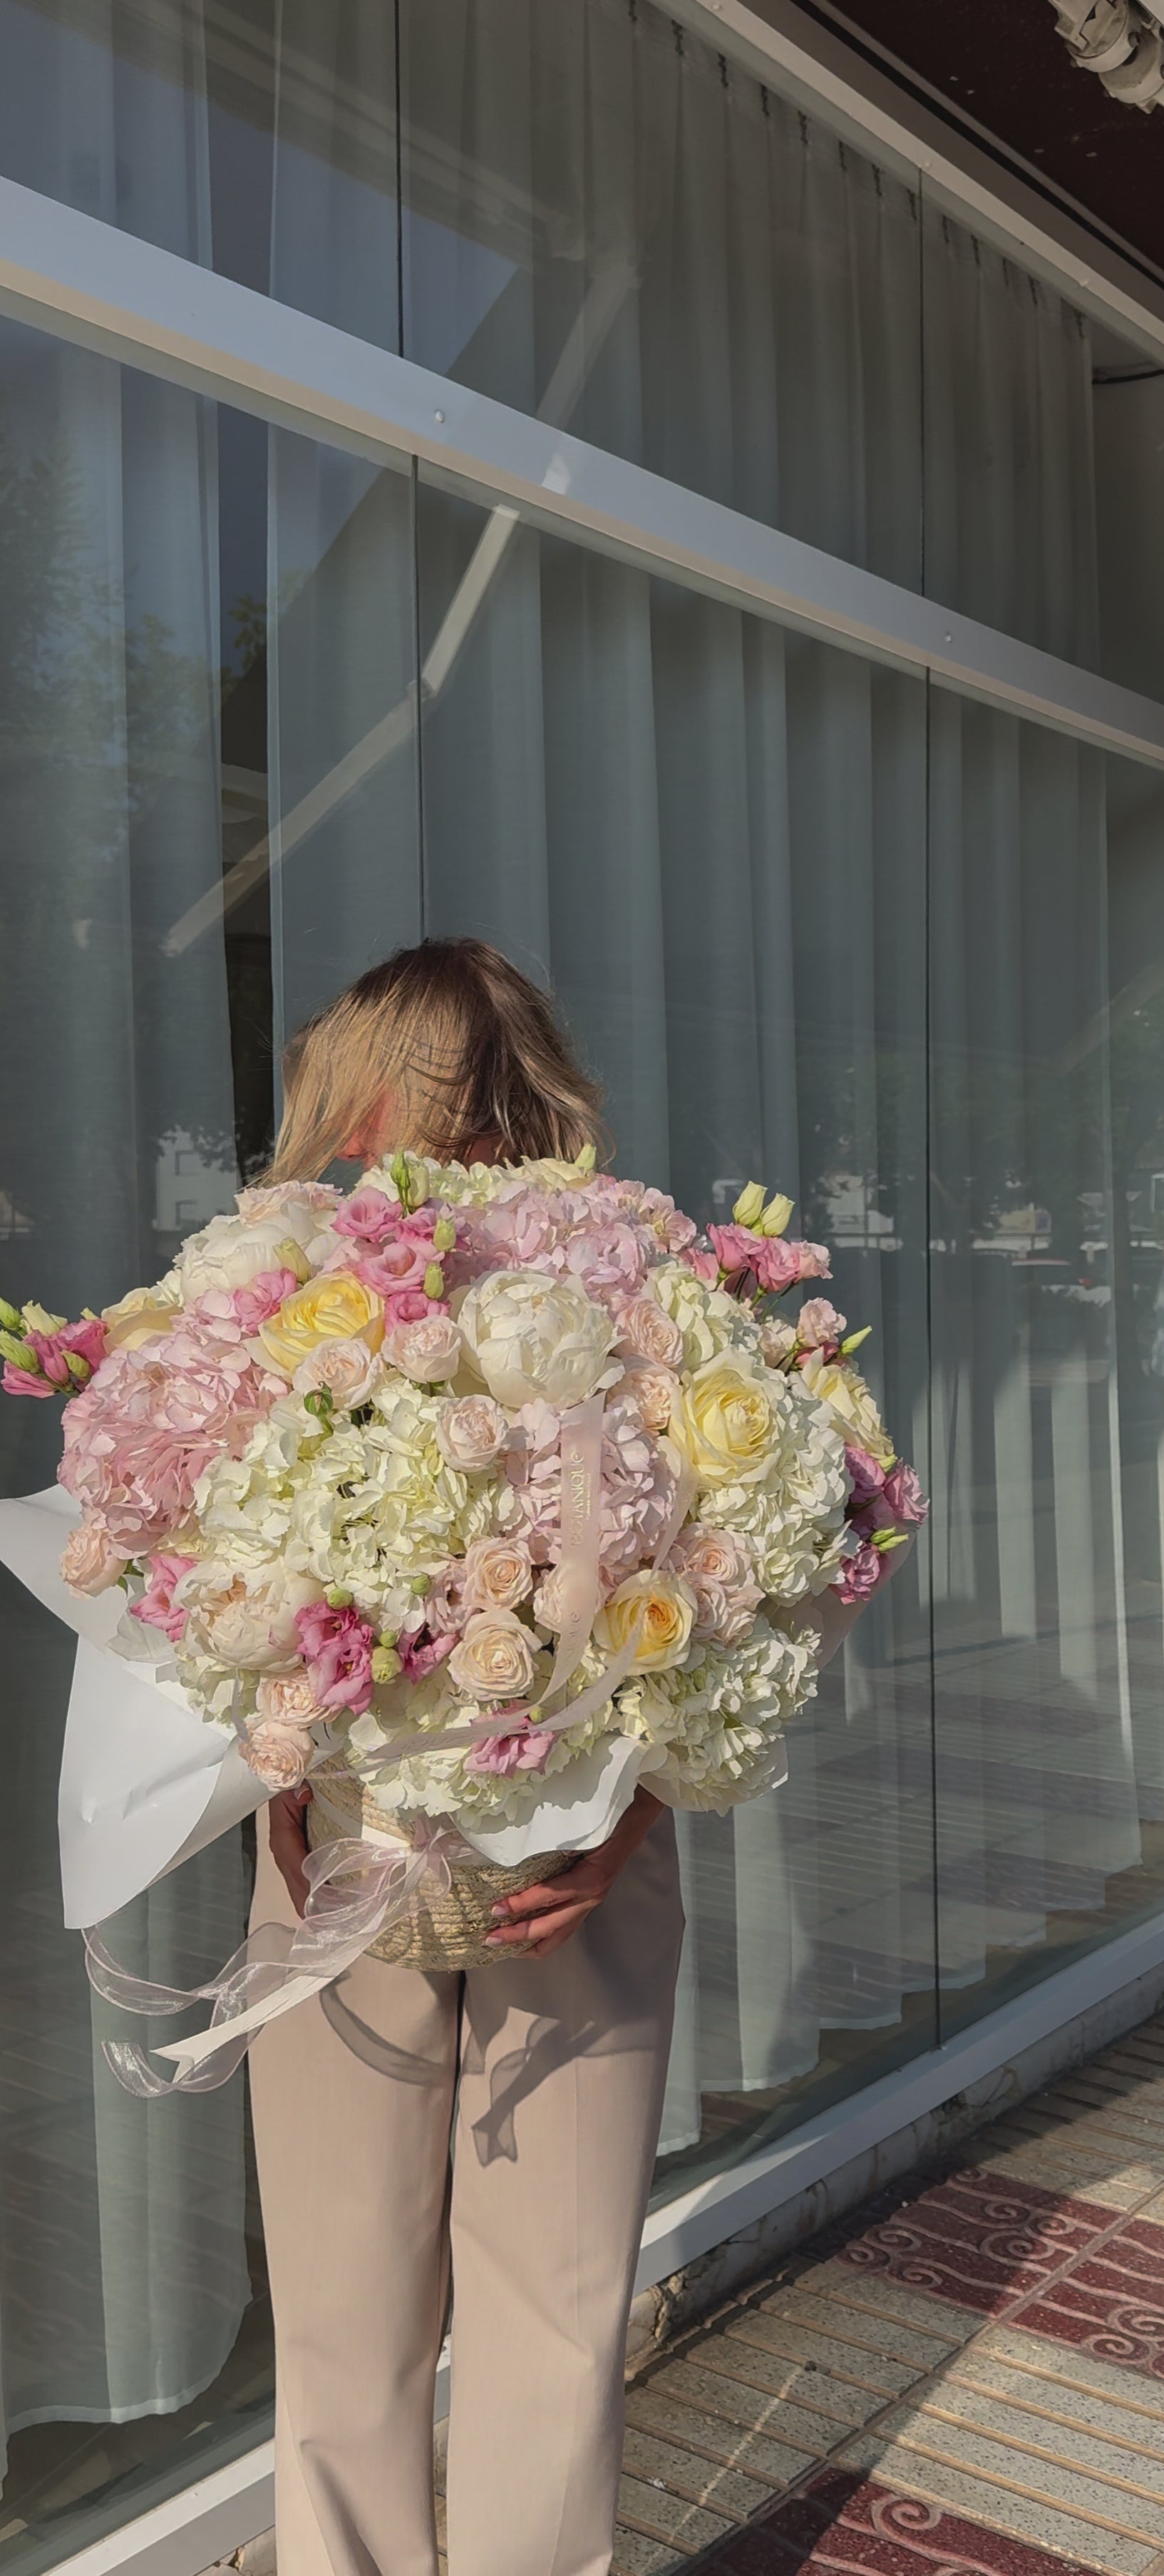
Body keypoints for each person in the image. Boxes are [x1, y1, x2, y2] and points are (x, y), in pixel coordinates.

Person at [250, 939, 684, 2576]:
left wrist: (634, 1811)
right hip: (341, 1847)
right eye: (405, 1113)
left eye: (473, 1112)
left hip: (572, 1854)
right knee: (344, 2314)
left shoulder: (644, 1306)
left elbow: (726, 1589)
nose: (426, 1152)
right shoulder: (278, 1303)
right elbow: (207, 1570)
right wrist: (276, 1765)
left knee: (552, 2313)